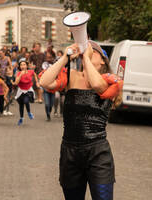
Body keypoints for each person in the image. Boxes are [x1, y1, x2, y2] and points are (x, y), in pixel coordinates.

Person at [40, 41, 123, 200]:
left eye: (94, 50)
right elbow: (44, 82)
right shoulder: (71, 76)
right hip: (69, 152)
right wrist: (65, 57)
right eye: (86, 48)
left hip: (98, 152)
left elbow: (97, 86)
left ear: (103, 61)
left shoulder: (110, 80)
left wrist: (85, 56)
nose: (88, 50)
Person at [14, 60, 40, 126]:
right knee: (21, 105)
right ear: (19, 67)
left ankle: (29, 113)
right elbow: (16, 83)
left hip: (29, 90)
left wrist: (37, 82)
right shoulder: (18, 73)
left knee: (26, 101)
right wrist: (20, 75)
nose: (22, 66)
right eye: (21, 65)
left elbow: (35, 74)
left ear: (26, 66)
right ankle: (21, 118)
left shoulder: (30, 71)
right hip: (21, 90)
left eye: (24, 64)